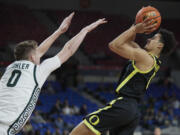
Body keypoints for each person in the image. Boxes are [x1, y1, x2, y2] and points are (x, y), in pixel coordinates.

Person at [0, 11, 107, 134]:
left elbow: (37, 52)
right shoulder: (38, 70)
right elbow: (68, 49)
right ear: (33, 57)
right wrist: (85, 31)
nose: (40, 56)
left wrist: (59, 31)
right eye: (37, 55)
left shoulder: (10, 68)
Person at [70, 18, 176, 135]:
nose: (149, 38)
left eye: (154, 38)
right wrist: (138, 22)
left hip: (123, 105)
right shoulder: (149, 59)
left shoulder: (144, 57)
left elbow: (114, 45)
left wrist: (135, 29)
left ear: (160, 46)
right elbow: (127, 41)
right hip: (133, 112)